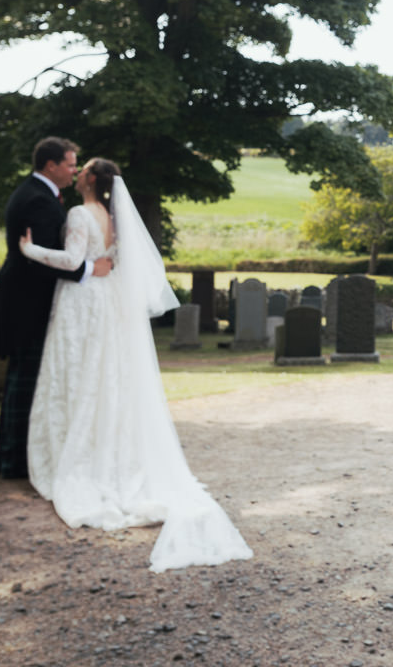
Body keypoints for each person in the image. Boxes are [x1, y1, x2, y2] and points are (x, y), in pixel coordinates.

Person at [18, 157, 253, 572]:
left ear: (90, 179)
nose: (77, 174)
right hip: (107, 302)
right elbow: (117, 265)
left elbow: (73, 261)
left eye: (81, 168)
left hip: (82, 302)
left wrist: (31, 249)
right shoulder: (112, 216)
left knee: (75, 375)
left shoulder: (78, 213)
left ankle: (77, 452)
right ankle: (109, 448)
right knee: (106, 378)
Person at [0, 137, 112, 480]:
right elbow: (46, 260)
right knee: (25, 380)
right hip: (28, 302)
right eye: (71, 164)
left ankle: (14, 458)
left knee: (26, 379)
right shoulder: (37, 201)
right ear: (51, 165)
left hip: (30, 298)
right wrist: (89, 270)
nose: (74, 171)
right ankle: (14, 462)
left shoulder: (38, 194)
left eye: (77, 166)